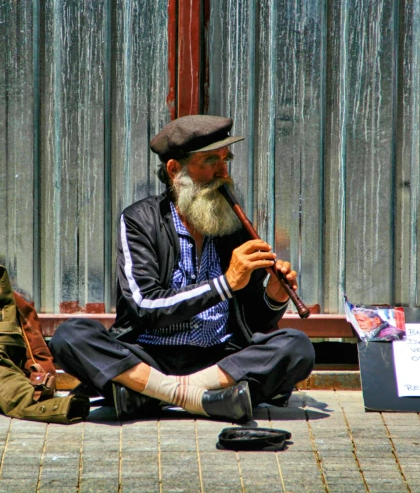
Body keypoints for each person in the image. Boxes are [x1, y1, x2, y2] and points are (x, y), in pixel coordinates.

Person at [49, 115, 315, 422]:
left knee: (297, 346)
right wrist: (225, 283)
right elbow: (144, 305)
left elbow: (254, 324)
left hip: (218, 359)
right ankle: (205, 400)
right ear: (176, 170)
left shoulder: (233, 224)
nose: (223, 172)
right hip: (149, 354)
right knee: (70, 336)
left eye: (225, 160)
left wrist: (274, 297)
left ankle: (151, 395)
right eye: (210, 161)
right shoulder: (140, 220)